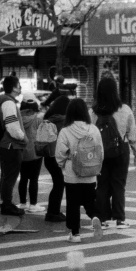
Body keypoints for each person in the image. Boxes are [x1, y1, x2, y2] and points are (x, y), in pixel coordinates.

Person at [90, 77, 136, 229]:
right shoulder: (124, 109)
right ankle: (119, 219)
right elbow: (132, 133)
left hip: (99, 152)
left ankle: (103, 218)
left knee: (102, 184)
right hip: (120, 150)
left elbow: (88, 133)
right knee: (118, 184)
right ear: (115, 91)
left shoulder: (93, 111)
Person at [55, 98, 103, 243]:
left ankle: (75, 234)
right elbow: (101, 151)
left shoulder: (65, 131)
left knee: (73, 203)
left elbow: (59, 154)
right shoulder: (93, 129)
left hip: (72, 173)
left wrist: (63, 164)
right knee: (89, 199)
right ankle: (95, 216)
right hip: (90, 173)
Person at [0, 76, 27, 217]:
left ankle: (6, 203)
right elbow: (12, 127)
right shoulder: (8, 103)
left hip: (5, 144)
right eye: (19, 85)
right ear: (14, 88)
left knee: (6, 175)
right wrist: (23, 137)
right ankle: (7, 205)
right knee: (10, 176)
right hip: (11, 145)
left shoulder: (4, 101)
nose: (20, 87)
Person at [42, 96, 70, 223]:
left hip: (48, 156)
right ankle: (53, 213)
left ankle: (54, 211)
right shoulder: (63, 121)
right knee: (59, 184)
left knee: (57, 183)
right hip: (57, 156)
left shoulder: (48, 119)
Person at [18, 94, 45, 213]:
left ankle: (23, 203)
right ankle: (33, 204)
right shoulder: (38, 118)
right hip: (35, 152)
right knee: (34, 179)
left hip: (21, 152)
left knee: (23, 178)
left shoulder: (18, 118)